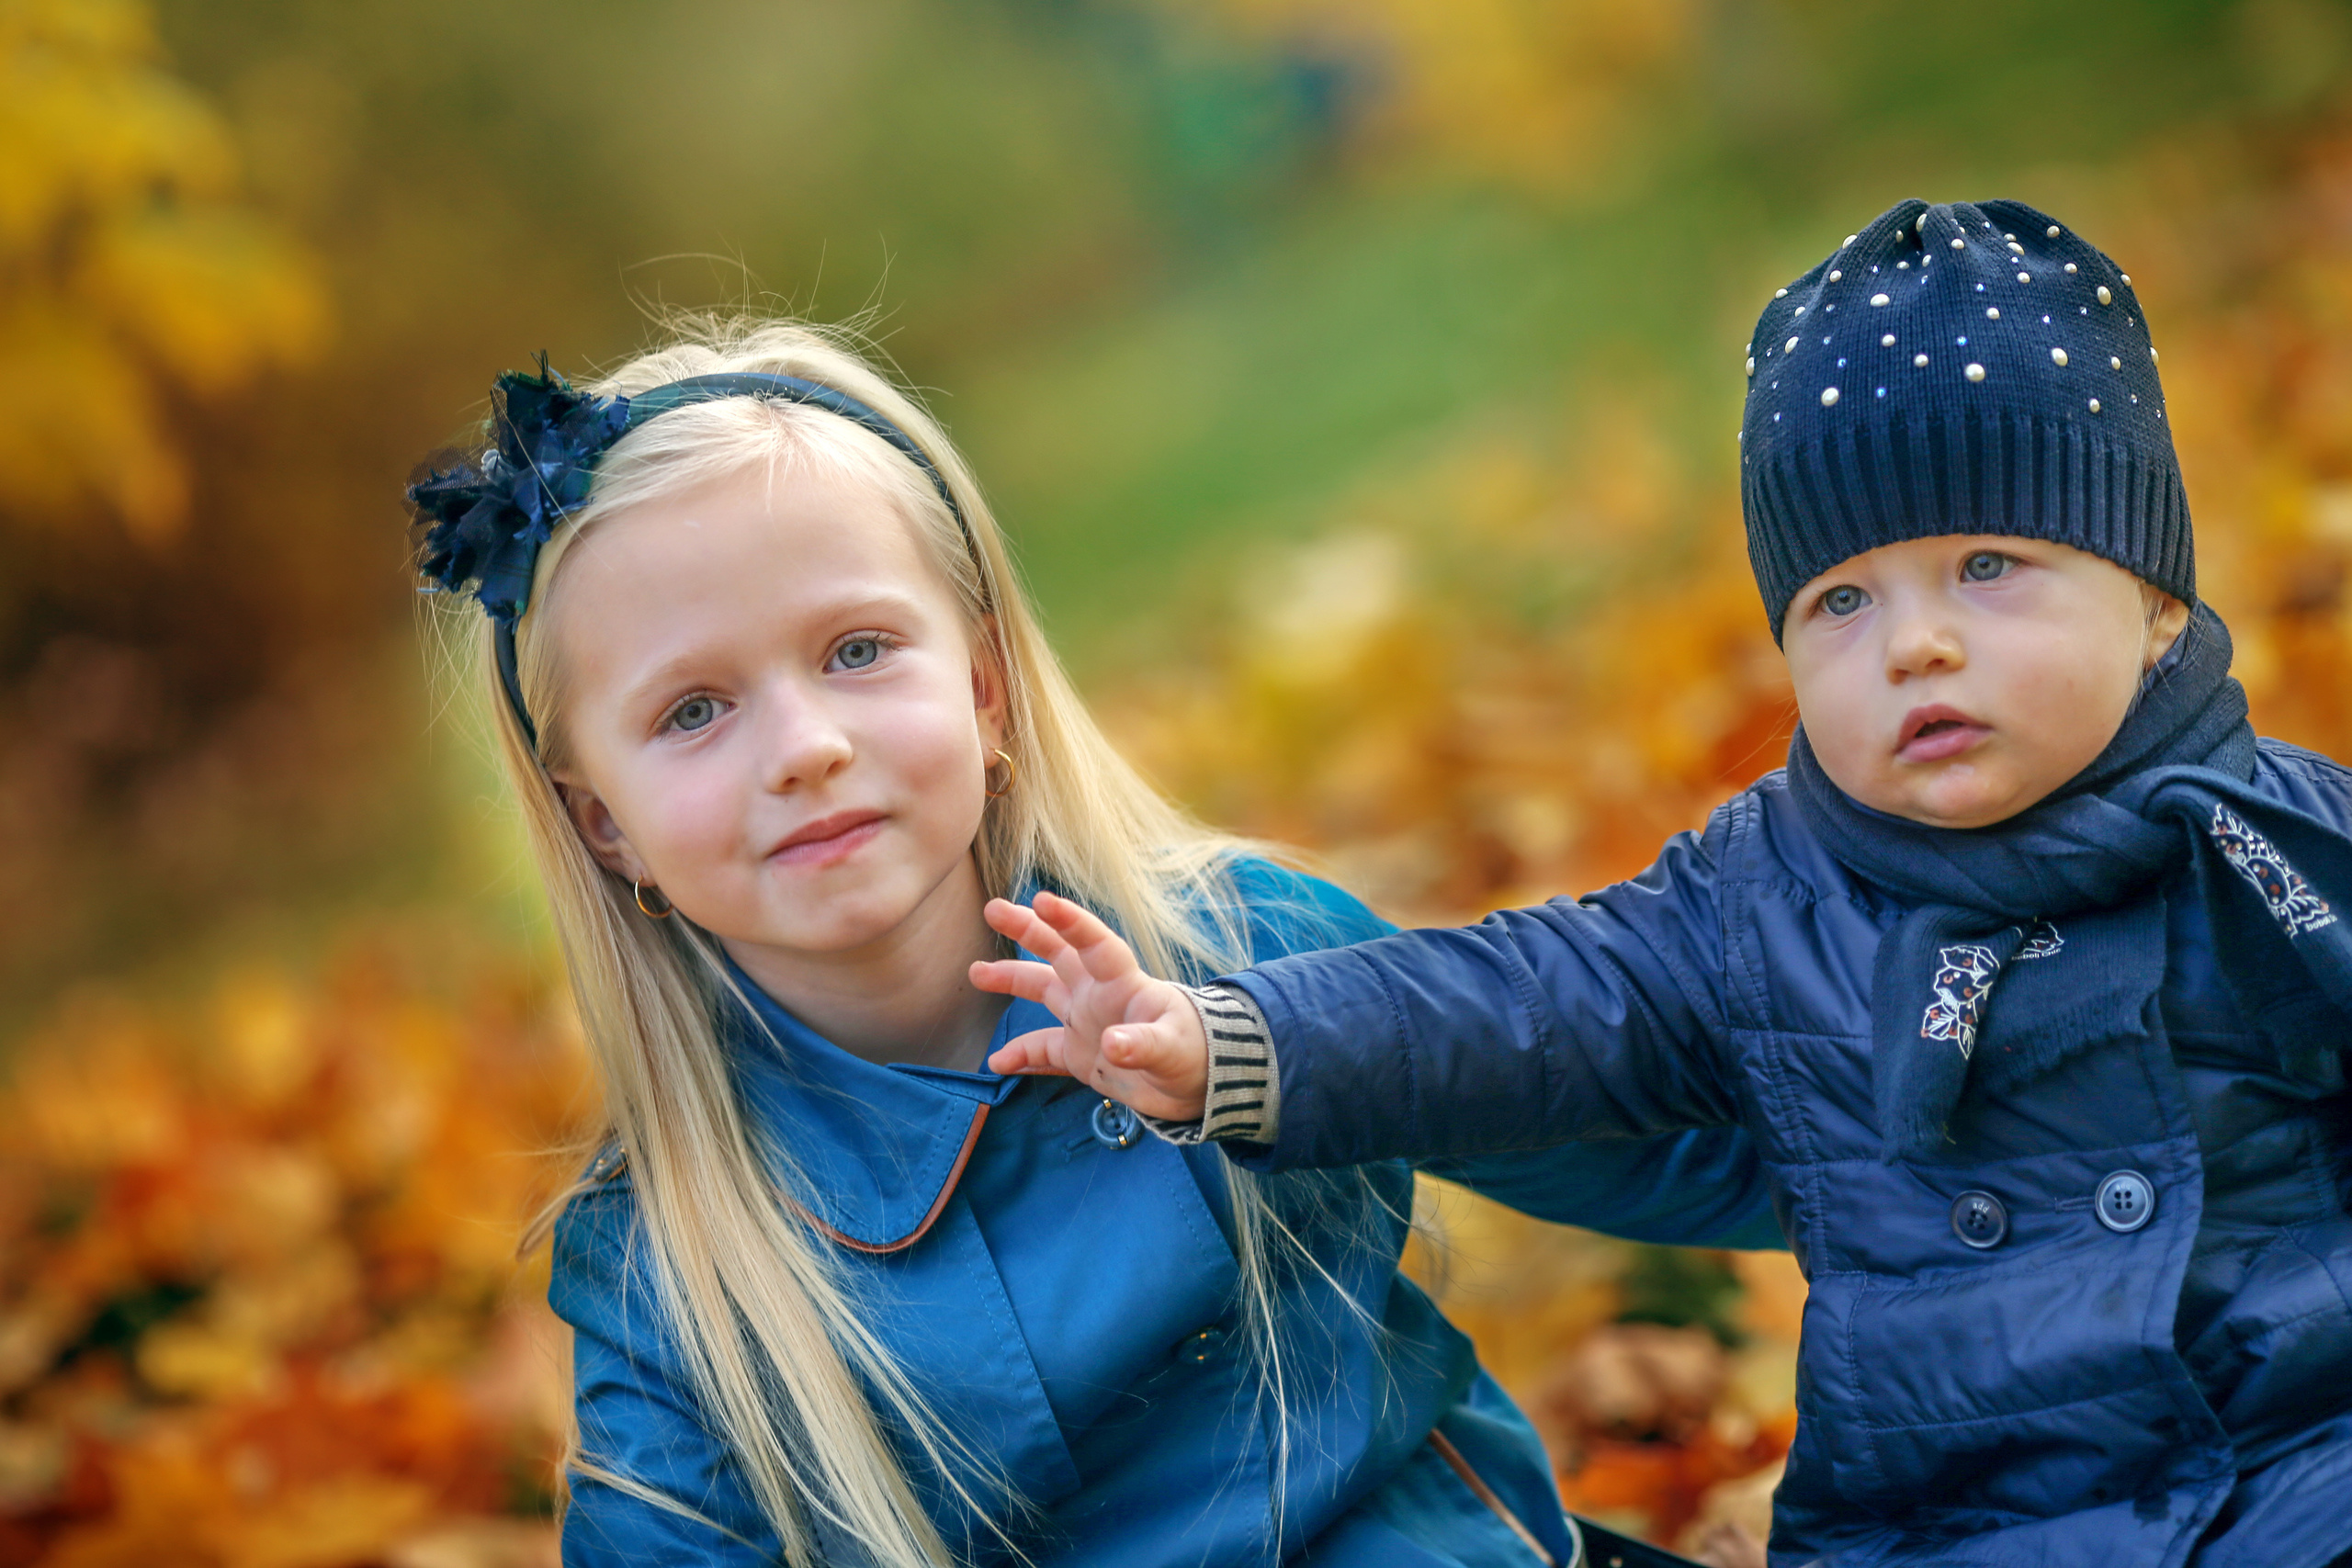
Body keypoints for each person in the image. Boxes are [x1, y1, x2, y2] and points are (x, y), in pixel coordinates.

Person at [974, 199, 2352, 1568]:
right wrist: (1234, 1040)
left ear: (2156, 597)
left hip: (2300, 1460)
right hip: (1961, 1517)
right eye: (1842, 603)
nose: (1916, 646)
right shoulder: (1767, 902)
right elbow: (1524, 1005)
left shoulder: (2279, 848)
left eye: (1989, 569)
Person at [404, 320, 1781, 1567]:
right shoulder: (676, 1269)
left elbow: (1631, 1133)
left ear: (986, 689)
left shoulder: (1240, 946)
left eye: (859, 651)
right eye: (694, 713)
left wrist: (1943, 1163)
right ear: (607, 831)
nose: (807, 750)